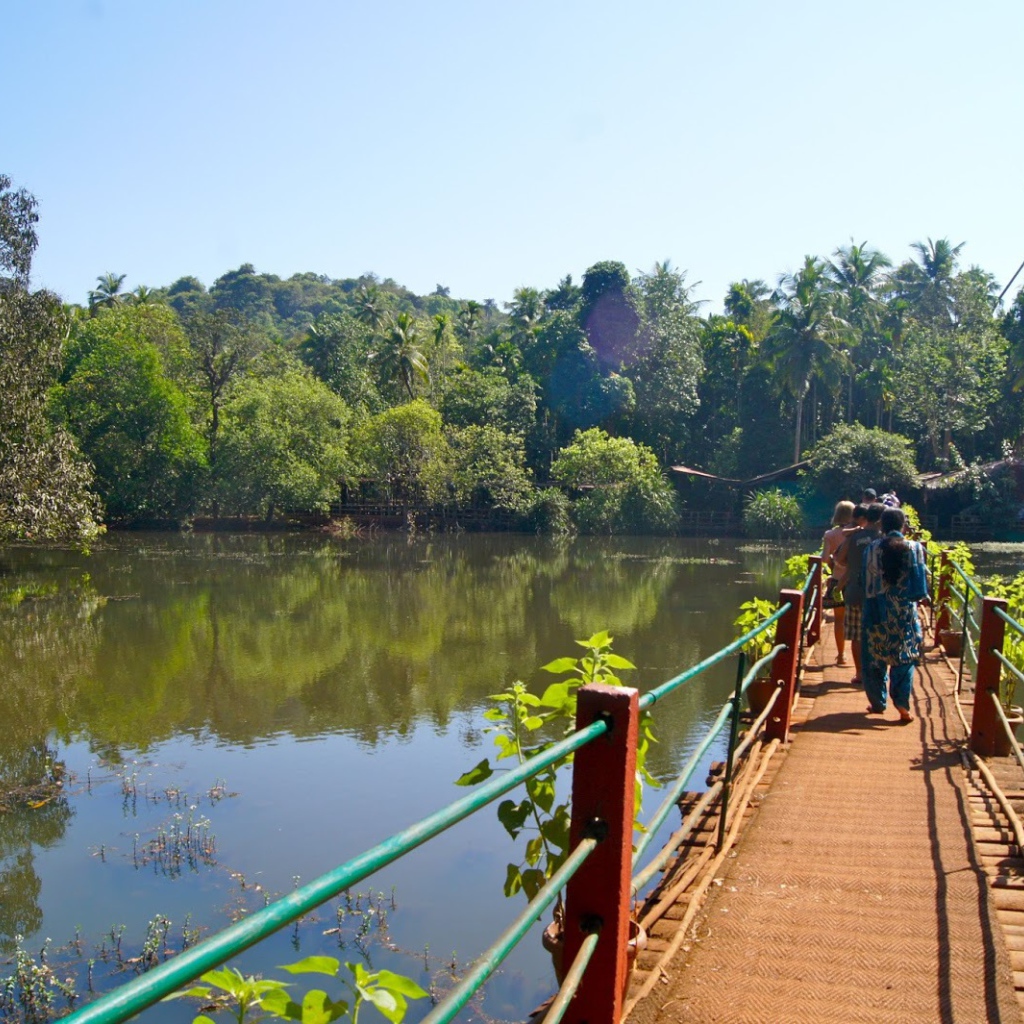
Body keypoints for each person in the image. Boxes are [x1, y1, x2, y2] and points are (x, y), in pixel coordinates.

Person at [861, 507, 929, 722]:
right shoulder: (915, 548)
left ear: (881, 525)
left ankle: (878, 702)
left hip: (876, 611)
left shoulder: (871, 548)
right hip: (904, 613)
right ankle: (902, 706)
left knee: (873, 657)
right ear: (903, 526)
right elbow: (919, 587)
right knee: (905, 656)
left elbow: (865, 582)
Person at [832, 503, 883, 689]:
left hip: (855, 591)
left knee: (857, 634)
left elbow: (838, 559)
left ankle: (859, 672)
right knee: (877, 633)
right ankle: (876, 672)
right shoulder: (883, 537)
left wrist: (854, 564)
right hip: (878, 594)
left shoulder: (854, 536)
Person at [821, 500, 855, 665]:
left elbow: (825, 558)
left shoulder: (830, 535)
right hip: (855, 581)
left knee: (839, 619)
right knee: (859, 619)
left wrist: (833, 563)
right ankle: (860, 660)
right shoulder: (857, 533)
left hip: (837, 580)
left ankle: (841, 655)